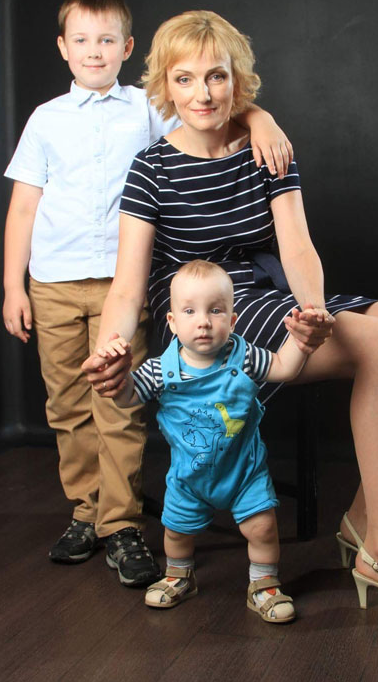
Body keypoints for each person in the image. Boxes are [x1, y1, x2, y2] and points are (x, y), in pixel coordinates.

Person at [84, 10, 378, 618]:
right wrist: (111, 346)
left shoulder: (266, 149)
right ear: (165, 86)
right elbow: (128, 287)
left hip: (272, 293)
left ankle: (365, 520)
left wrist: (312, 313)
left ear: (236, 80)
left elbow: (296, 246)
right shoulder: (152, 169)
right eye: (184, 79)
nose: (202, 93)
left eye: (216, 76)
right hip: (210, 315)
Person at [2, 0, 294, 588]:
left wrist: (261, 117)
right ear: (62, 48)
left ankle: (121, 521)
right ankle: (86, 511)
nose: (94, 51)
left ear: (127, 47)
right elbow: (24, 207)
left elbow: (209, 110)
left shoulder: (147, 108)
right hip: (53, 280)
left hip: (123, 281)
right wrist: (13, 285)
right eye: (81, 40)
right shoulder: (45, 120)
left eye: (107, 40)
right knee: (68, 403)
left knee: (120, 400)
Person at [97, 260, 326, 621]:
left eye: (215, 311)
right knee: (176, 532)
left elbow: (283, 367)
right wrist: (118, 374)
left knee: (262, 528)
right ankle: (179, 575)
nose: (203, 321)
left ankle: (263, 584)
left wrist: (300, 341)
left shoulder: (243, 356)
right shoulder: (160, 370)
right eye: (189, 311)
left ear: (232, 321)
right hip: (189, 477)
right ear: (172, 322)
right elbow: (127, 398)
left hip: (243, 472)